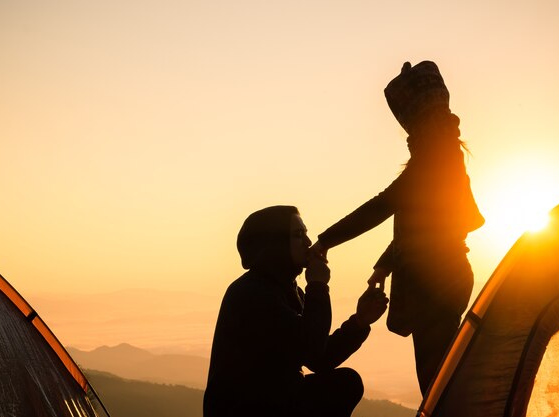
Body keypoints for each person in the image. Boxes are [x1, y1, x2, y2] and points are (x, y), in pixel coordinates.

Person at [311, 61, 485, 394]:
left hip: (437, 282)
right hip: (445, 276)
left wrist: (326, 241)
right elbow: (423, 226)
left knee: (436, 384)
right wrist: (385, 264)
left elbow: (381, 206)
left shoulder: (431, 162)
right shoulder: (445, 155)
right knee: (441, 378)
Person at [204, 205, 388, 417]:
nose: (309, 243)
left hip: (273, 400)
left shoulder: (284, 289)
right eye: (299, 235)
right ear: (276, 244)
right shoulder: (252, 293)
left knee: (346, 383)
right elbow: (312, 348)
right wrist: (318, 286)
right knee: (342, 385)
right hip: (248, 408)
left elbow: (319, 360)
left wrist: (359, 322)